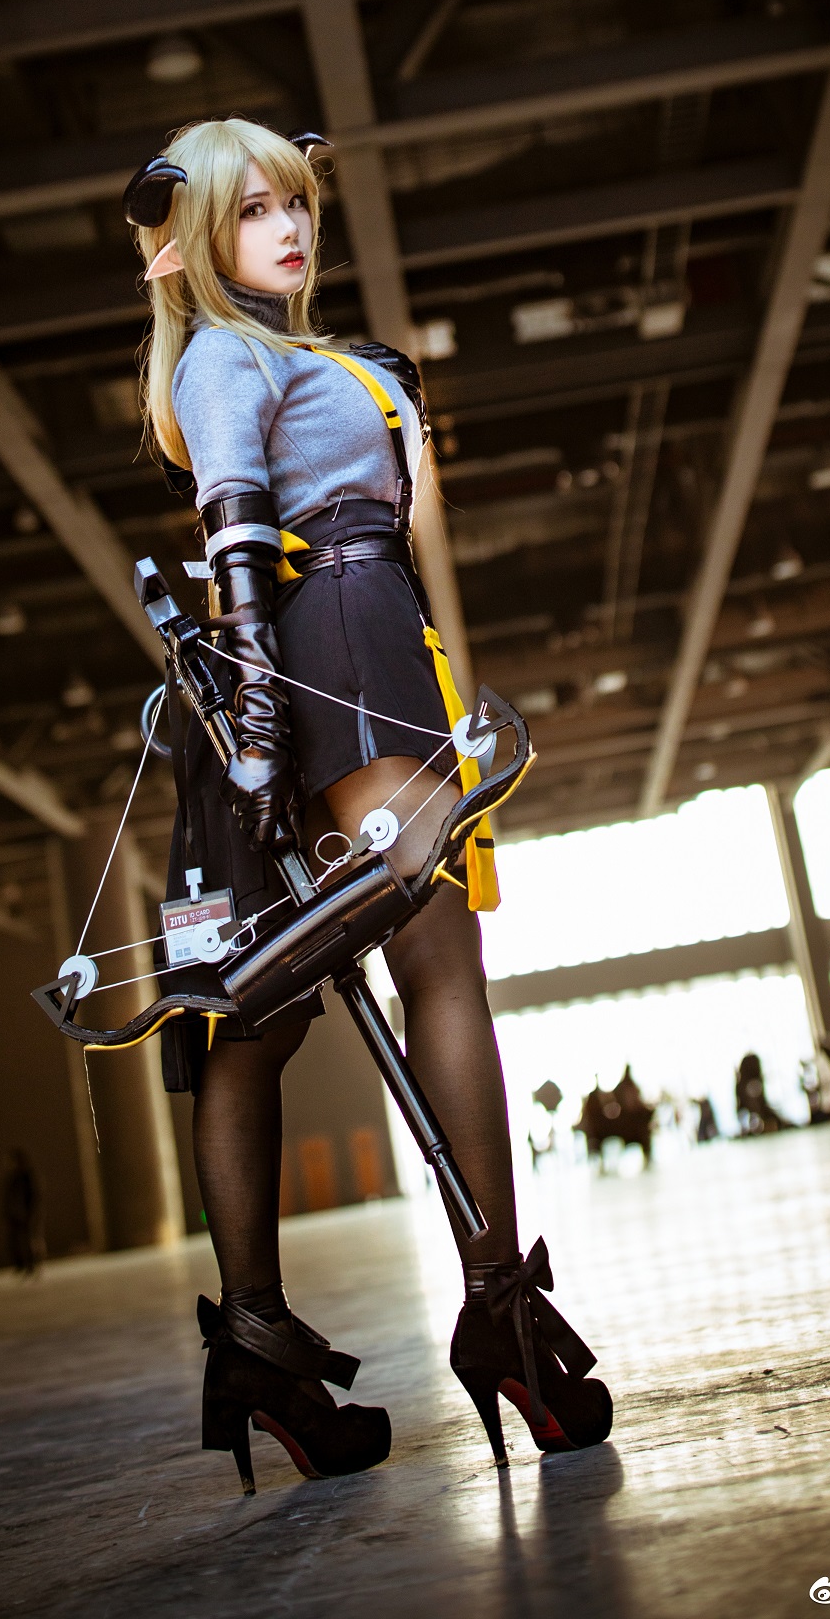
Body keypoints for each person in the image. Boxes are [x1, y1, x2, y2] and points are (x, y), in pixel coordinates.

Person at [132, 117, 611, 1492]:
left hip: (368, 640)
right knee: (414, 968)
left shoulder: (318, 356)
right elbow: (232, 531)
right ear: (199, 236)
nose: (289, 226)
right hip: (318, 650)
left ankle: (267, 1346)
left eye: (296, 202)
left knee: (269, 1016)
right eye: (252, 210)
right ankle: (496, 1310)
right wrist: (260, 738)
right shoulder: (223, 357)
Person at [3, 1148, 42, 1276]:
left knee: (27, 1240)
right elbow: (8, 1198)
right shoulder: (12, 1177)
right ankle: (20, 1265)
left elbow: (33, 1195)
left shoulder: (26, 1176)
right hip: (14, 1215)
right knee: (15, 1241)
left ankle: (31, 1264)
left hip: (25, 1214)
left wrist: (30, 1212)